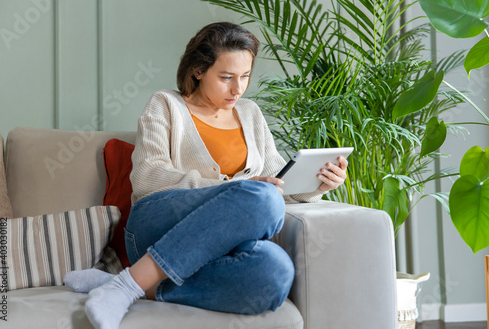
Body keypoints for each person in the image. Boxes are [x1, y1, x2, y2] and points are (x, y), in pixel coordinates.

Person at [63, 22, 348, 329]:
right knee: (262, 198)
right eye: (226, 77)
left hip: (219, 243)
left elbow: (275, 179)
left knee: (276, 273)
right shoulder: (166, 104)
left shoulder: (250, 114)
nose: (237, 89)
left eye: (245, 77)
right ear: (198, 70)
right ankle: (123, 289)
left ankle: (136, 283)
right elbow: (147, 177)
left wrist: (314, 185)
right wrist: (233, 188)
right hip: (155, 225)